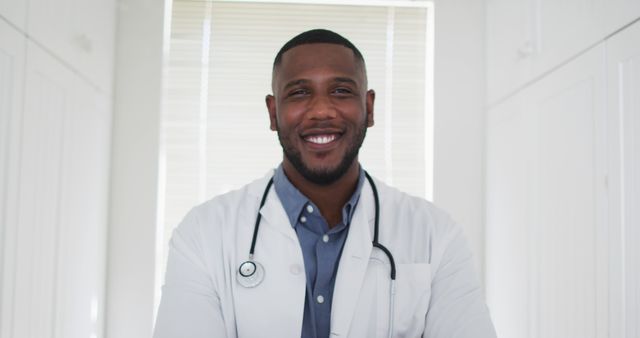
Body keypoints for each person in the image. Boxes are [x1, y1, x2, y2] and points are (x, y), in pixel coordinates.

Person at [153, 29, 496, 338]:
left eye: (341, 91)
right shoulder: (202, 235)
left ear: (369, 107)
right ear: (273, 113)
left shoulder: (436, 235)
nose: (321, 110)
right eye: (300, 92)